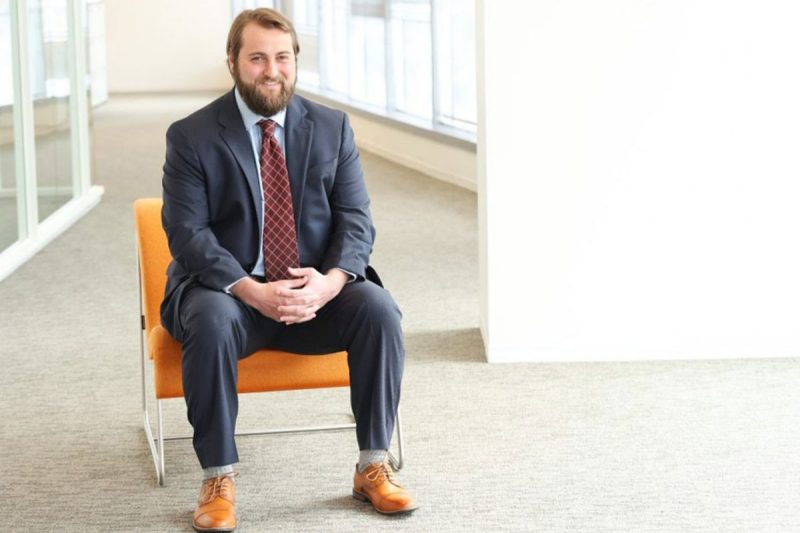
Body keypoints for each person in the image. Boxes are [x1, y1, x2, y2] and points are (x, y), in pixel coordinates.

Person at [160, 8, 417, 532]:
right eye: (257, 58)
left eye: (282, 57)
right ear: (233, 62)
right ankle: (218, 477)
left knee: (380, 309)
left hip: (313, 292)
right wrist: (251, 290)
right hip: (230, 293)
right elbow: (188, 233)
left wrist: (330, 283)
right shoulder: (192, 136)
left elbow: (355, 219)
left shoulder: (331, 127)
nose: (271, 70)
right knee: (208, 320)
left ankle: (373, 464)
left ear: (295, 62)